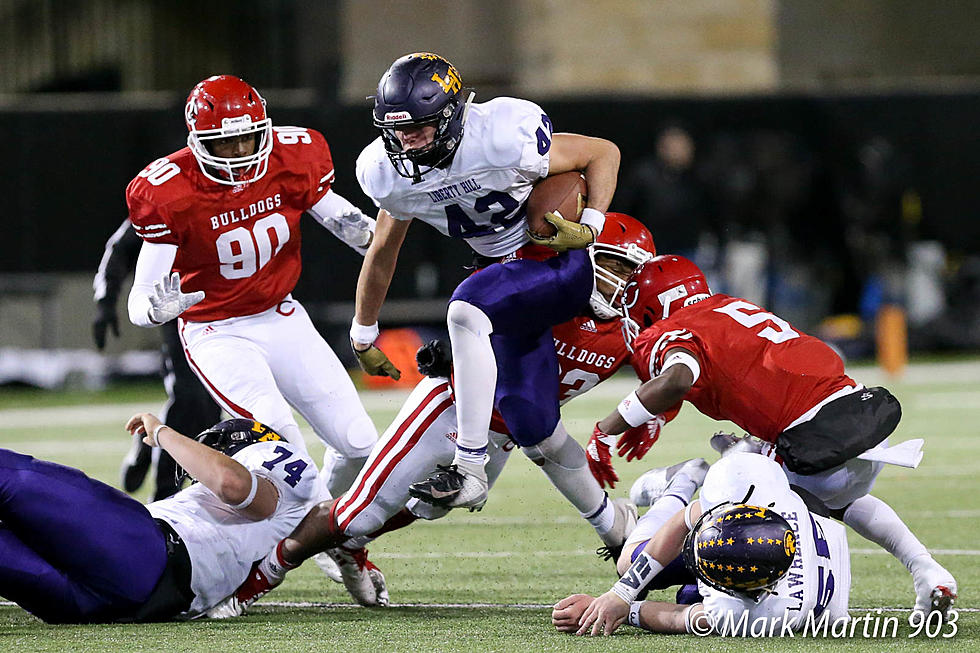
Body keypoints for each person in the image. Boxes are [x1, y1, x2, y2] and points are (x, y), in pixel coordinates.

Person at [215, 213, 660, 613]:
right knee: (360, 511)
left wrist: (656, 412)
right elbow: (484, 318)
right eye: (614, 264)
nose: (620, 280)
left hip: (506, 435)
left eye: (631, 271)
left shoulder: (630, 331)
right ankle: (258, 578)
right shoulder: (543, 293)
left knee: (427, 507)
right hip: (451, 408)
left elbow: (671, 369)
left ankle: (351, 547)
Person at [351, 53, 626, 549]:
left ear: (454, 112)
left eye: (421, 126)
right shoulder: (386, 171)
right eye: (399, 130)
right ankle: (618, 528)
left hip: (553, 259)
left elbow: (602, 152)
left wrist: (594, 227)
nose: (408, 140)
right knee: (531, 422)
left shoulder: (503, 134)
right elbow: (384, 248)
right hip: (502, 278)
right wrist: (363, 330)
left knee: (466, 310)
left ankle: (469, 465)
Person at [589, 254, 957, 618]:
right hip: (859, 422)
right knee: (839, 497)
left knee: (637, 560)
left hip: (808, 441)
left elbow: (677, 378)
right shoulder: (729, 305)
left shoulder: (675, 328)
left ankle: (684, 483)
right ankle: (925, 568)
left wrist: (606, 428)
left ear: (650, 306)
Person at [125, 74, 379, 498]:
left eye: (248, 138)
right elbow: (139, 301)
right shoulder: (169, 190)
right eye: (225, 143)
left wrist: (389, 231)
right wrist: (154, 310)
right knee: (284, 445)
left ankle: (336, 532)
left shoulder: (294, 156)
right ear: (198, 141)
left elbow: (353, 226)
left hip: (281, 315)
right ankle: (309, 545)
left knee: (358, 444)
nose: (240, 152)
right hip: (217, 330)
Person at [0, 415, 316, 623]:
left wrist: (163, 433)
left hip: (142, 553)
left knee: (9, 477)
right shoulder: (267, 536)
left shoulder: (280, 463)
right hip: (115, 606)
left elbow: (231, 485)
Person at [554, 452, 852, 636]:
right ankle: (682, 482)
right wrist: (621, 593)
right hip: (805, 530)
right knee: (630, 567)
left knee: (678, 594)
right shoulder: (766, 501)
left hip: (782, 580)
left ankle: (682, 483)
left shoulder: (757, 617)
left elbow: (680, 618)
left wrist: (619, 609)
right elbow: (688, 518)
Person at [94, 218, 222, 500]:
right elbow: (121, 248)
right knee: (190, 396)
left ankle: (148, 446)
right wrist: (106, 301)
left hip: (235, 314)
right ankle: (165, 494)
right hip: (182, 312)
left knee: (214, 407)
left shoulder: (248, 193)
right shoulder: (167, 197)